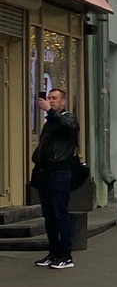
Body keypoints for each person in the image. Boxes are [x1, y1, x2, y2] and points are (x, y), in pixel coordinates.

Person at [32, 88, 79, 270]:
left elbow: (68, 126)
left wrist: (50, 111)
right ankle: (53, 253)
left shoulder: (68, 118)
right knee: (49, 216)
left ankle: (66, 255)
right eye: (49, 98)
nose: (51, 101)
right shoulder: (51, 122)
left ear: (63, 102)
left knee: (60, 214)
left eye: (54, 98)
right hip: (46, 172)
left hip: (60, 172)